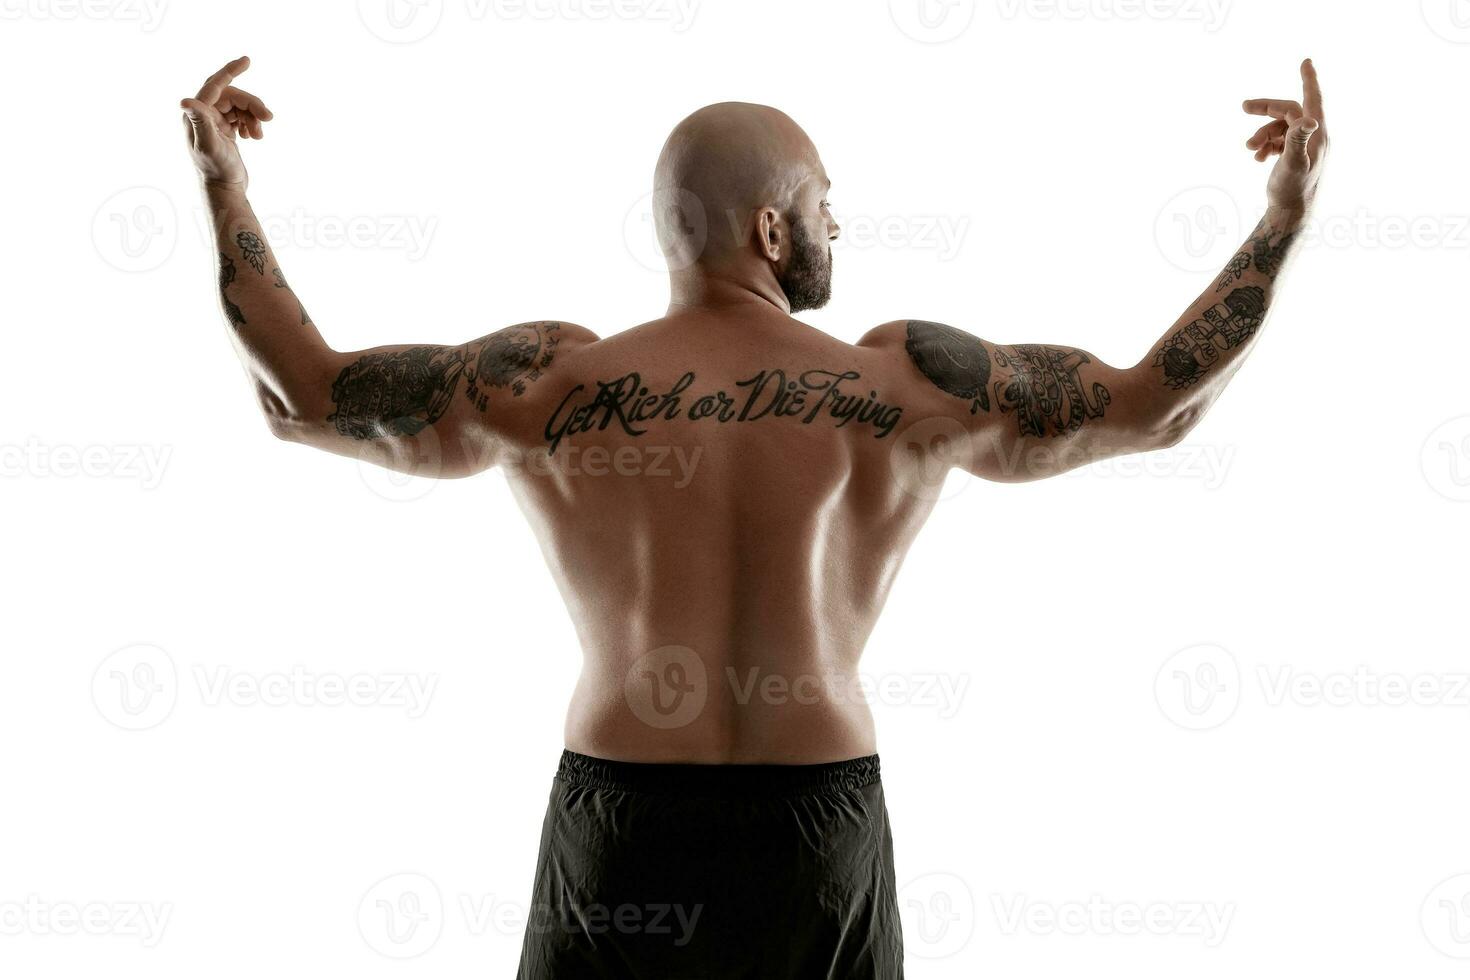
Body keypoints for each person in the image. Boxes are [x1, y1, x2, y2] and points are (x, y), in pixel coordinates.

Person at [180, 56, 1326, 978]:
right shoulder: (903, 386)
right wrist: (1284, 215)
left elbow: (303, 396)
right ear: (772, 230)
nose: (839, 226)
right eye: (826, 204)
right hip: (813, 823)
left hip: (623, 817)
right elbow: (1150, 407)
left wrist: (225, 187)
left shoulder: (550, 384)